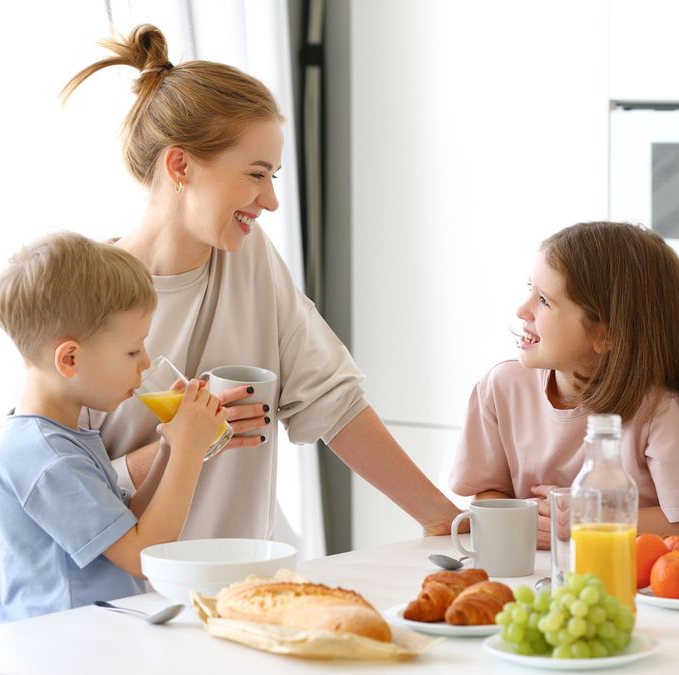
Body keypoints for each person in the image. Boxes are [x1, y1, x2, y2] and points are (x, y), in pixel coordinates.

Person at [61, 24, 461, 541]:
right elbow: (60, 493)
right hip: (125, 599)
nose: (270, 199)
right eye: (254, 174)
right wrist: (189, 439)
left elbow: (334, 403)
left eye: (273, 176)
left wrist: (444, 519)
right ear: (180, 165)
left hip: (241, 583)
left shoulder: (248, 258)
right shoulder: (80, 293)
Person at [0, 232, 225, 623]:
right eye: (133, 350)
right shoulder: (45, 455)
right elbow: (143, 556)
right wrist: (189, 451)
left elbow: (127, 528)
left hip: (92, 639)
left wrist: (168, 447)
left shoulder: (62, 437)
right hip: (60, 652)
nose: (145, 362)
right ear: (70, 359)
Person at [449, 221, 679, 547]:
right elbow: (488, 493)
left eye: (544, 300)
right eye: (530, 290)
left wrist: (590, 519)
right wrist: (522, 518)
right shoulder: (502, 387)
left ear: (605, 335)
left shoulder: (659, 411)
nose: (522, 310)